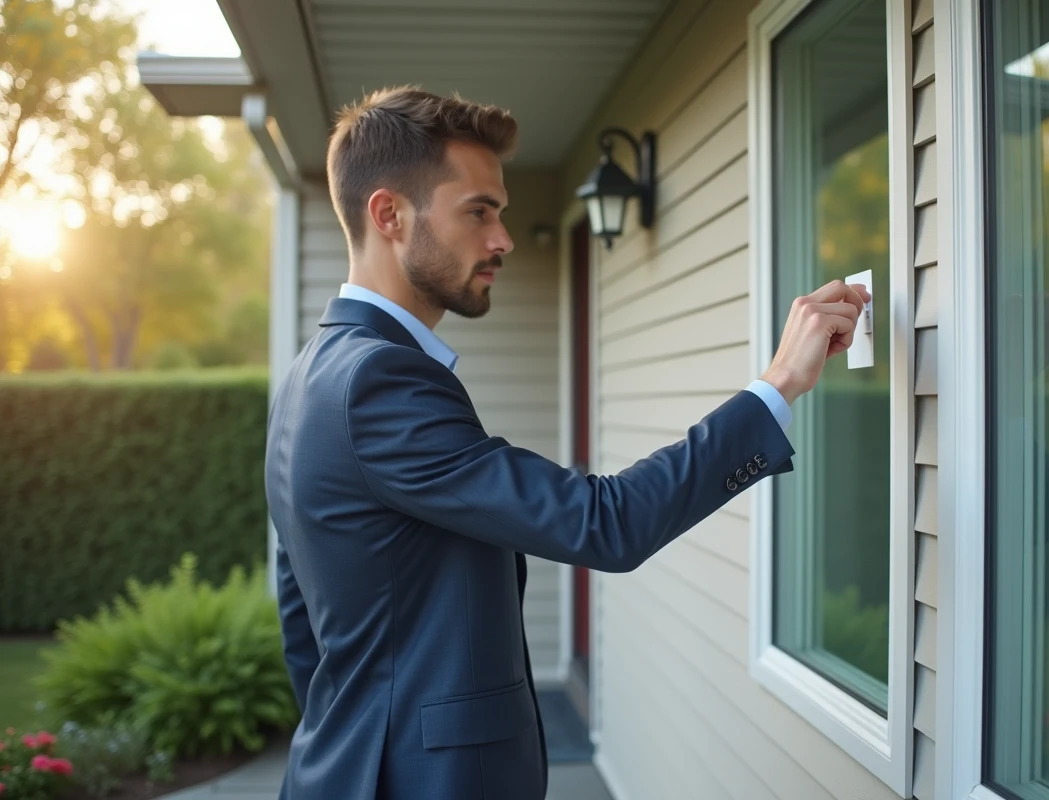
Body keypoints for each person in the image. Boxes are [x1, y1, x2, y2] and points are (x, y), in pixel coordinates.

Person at [263, 85, 869, 800]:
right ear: (389, 214)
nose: (502, 239)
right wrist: (777, 386)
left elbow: (303, 619)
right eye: (478, 212)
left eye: (502, 213)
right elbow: (603, 524)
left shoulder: (310, 375)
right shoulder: (380, 381)